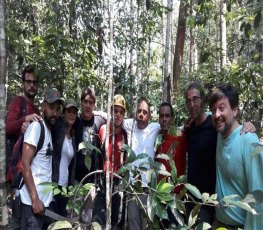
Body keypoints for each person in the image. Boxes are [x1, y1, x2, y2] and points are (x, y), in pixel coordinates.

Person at [184, 81, 256, 226]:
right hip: (194, 200)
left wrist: (248, 125)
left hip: (211, 203)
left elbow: (229, 124)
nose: (192, 104)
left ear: (202, 100)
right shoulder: (190, 129)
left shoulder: (215, 125)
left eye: (196, 99)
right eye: (188, 100)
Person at [209, 84, 263, 229]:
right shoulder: (220, 133)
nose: (216, 114)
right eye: (214, 110)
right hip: (218, 222)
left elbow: (259, 196)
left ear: (234, 110)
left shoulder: (249, 140)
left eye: (222, 108)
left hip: (240, 225)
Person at [19, 88, 63, 229]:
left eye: (57, 109)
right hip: (31, 204)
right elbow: (25, 164)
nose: (54, 113)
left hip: (44, 204)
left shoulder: (48, 130)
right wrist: (34, 198)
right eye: (51, 108)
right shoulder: (36, 127)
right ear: (43, 106)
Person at [123, 97, 160, 230]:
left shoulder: (155, 128)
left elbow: (169, 125)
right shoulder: (129, 125)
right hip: (132, 188)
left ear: (149, 116)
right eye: (139, 111)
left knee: (146, 226)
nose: (141, 114)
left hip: (147, 189)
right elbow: (112, 116)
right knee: (133, 225)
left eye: (145, 112)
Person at [155, 102, 187, 228]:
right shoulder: (156, 138)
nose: (164, 119)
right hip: (159, 196)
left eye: (167, 116)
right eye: (162, 116)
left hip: (176, 196)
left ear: (172, 118)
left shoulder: (181, 136)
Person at [98, 94, 127, 229]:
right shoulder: (103, 130)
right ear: (110, 112)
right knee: (100, 219)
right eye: (115, 111)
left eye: (121, 112)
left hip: (117, 183)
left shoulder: (125, 135)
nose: (118, 115)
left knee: (115, 220)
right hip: (102, 181)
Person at [6, 65, 42, 169]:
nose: (31, 85)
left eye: (34, 82)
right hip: (16, 166)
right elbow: (8, 128)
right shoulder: (18, 101)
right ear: (23, 84)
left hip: (31, 167)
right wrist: (24, 119)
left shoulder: (36, 111)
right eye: (28, 82)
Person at [51, 98, 78, 217]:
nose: (72, 114)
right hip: (54, 185)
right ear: (63, 113)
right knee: (50, 220)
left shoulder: (73, 135)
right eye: (69, 111)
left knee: (61, 221)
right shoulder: (57, 128)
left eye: (74, 112)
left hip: (65, 188)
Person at [74, 87, 106, 183]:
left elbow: (114, 119)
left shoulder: (98, 120)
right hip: (76, 178)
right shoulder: (75, 120)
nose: (88, 105)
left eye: (91, 102)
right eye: (85, 101)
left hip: (93, 179)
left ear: (94, 105)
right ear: (81, 103)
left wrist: (97, 113)